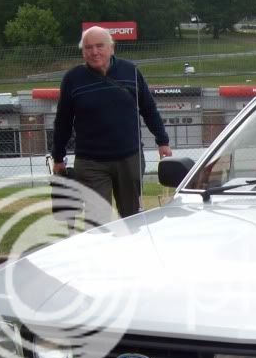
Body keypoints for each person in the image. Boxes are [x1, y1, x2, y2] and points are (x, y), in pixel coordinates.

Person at [51, 26, 172, 225]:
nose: (94, 52)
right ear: (83, 52)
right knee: (97, 222)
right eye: (88, 47)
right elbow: (63, 121)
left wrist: (163, 141)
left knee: (133, 217)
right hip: (91, 162)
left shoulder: (131, 71)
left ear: (112, 48)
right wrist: (58, 156)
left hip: (129, 158)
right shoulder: (72, 79)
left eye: (100, 46)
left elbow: (149, 109)